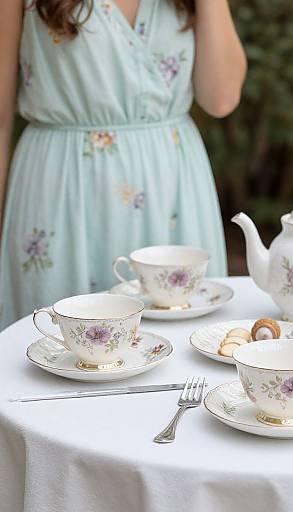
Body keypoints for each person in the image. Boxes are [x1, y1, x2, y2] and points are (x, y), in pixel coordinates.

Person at [0, 0, 247, 330]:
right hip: (64, 192)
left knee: (183, 345)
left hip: (172, 191)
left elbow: (221, 98)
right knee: (58, 349)